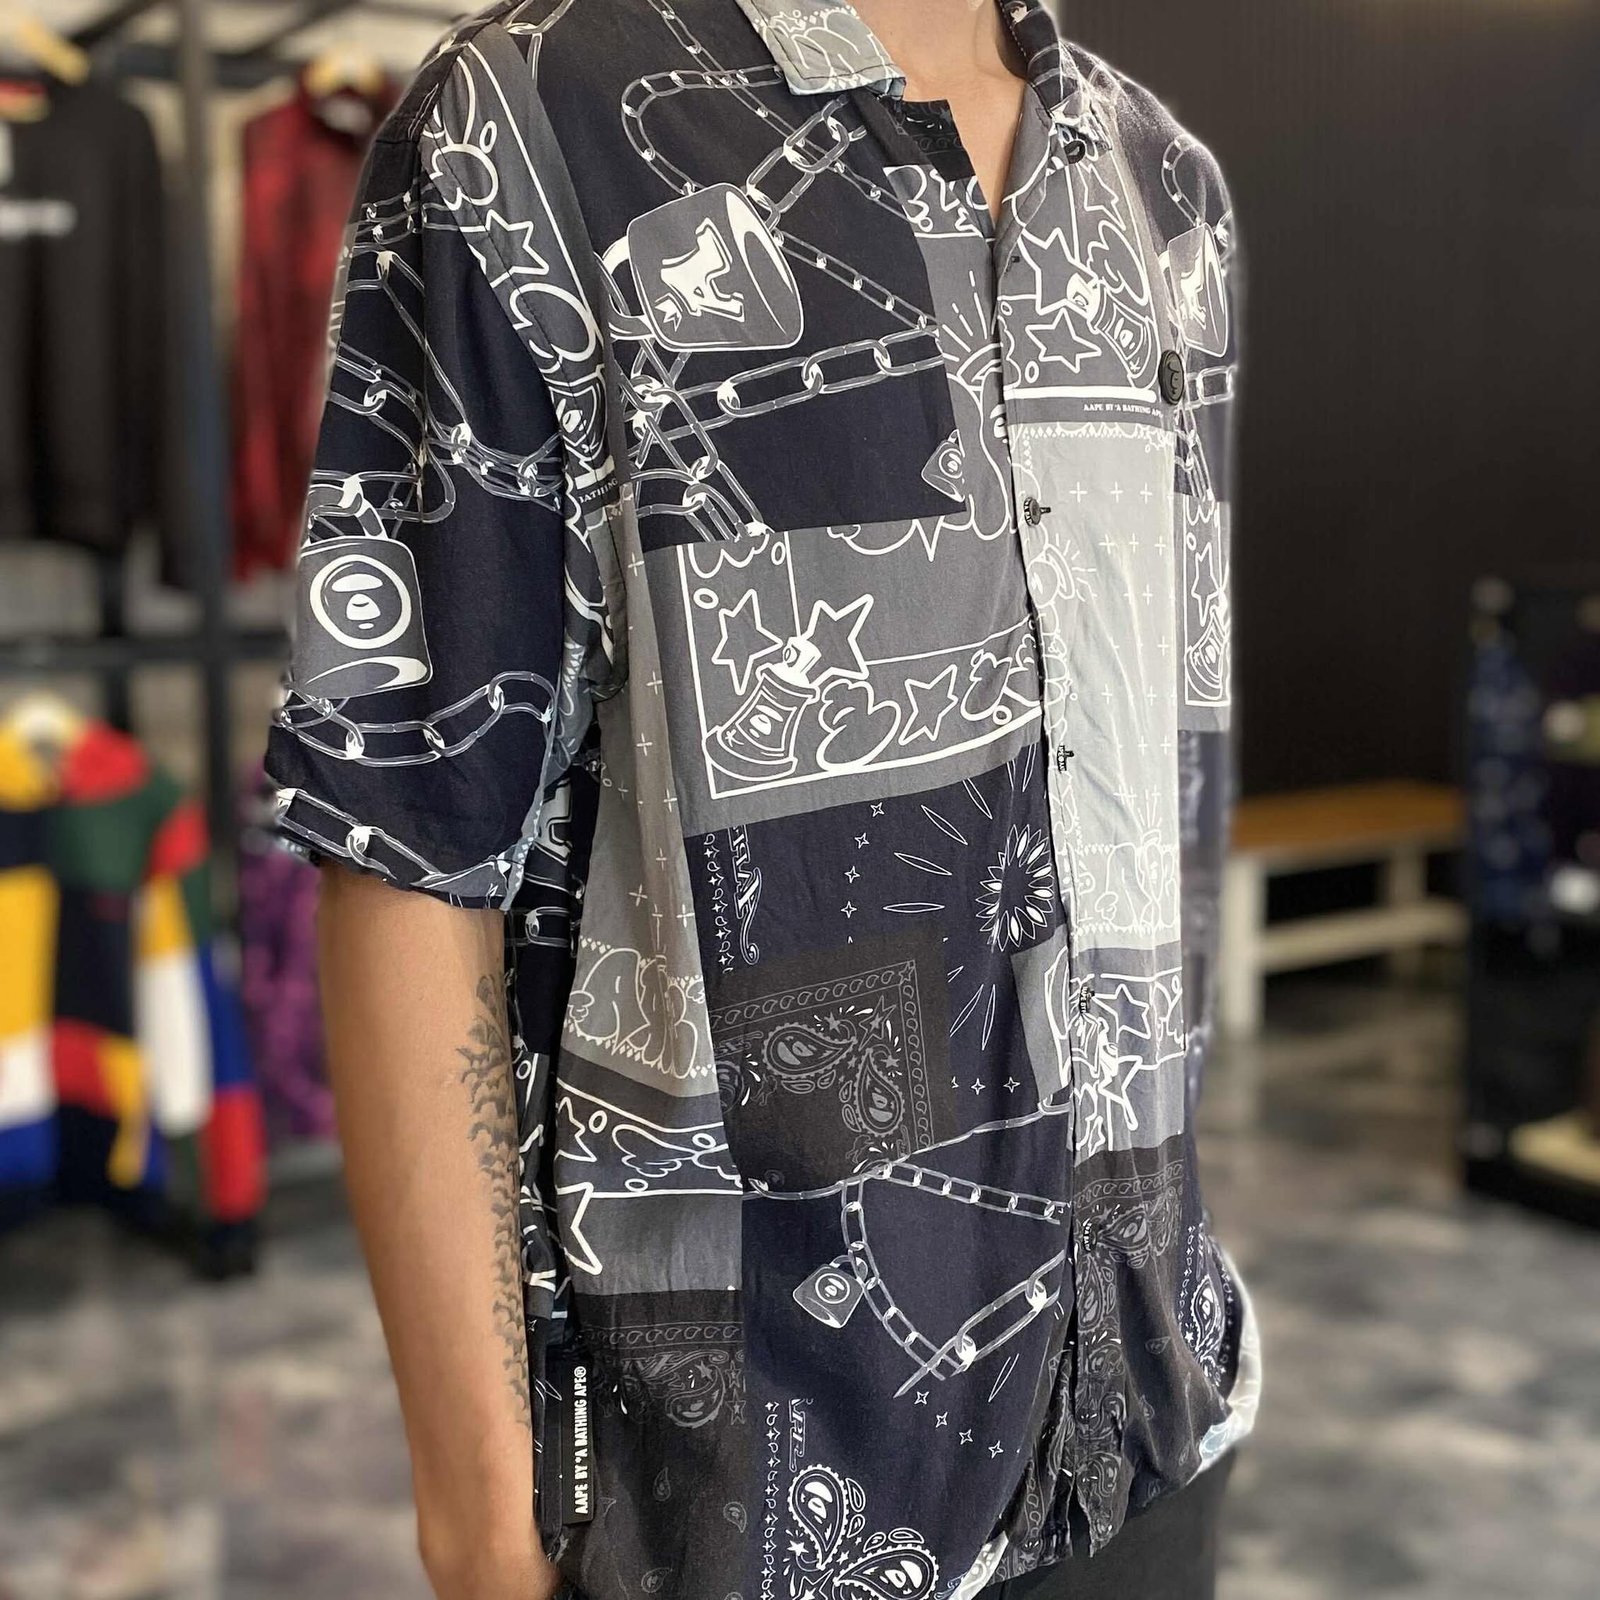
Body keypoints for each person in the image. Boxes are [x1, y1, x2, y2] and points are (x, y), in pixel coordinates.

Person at [260, 2, 1262, 1598]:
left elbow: (1150, 786)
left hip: (1145, 1420)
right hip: (737, 1503)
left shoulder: (1161, 183)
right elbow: (409, 834)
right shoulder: (535, 122)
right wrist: (482, 1526)